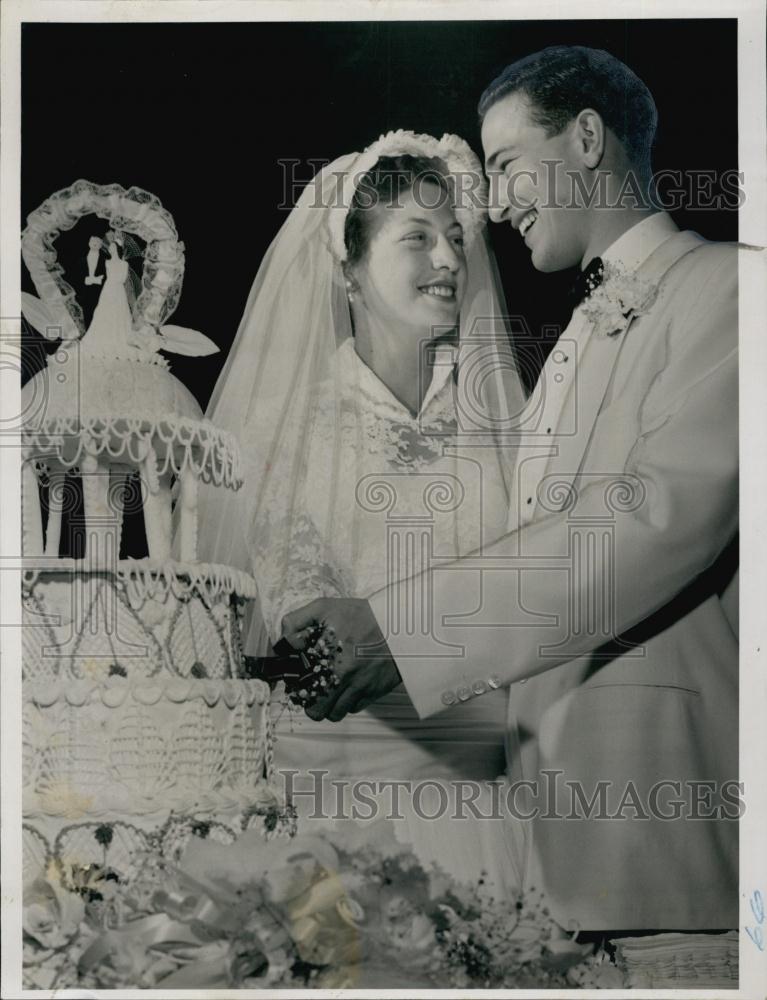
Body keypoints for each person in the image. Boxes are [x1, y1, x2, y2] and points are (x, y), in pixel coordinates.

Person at [283, 47, 740, 936]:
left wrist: (400, 630)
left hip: (662, 814)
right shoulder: (567, 341)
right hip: (545, 838)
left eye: (502, 165)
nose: (490, 205)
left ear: (585, 138)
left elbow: (649, 522)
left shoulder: (731, 289)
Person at [196, 131, 528, 893]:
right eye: (416, 238)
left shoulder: (511, 427)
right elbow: (295, 632)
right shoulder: (281, 429)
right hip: (334, 809)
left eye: (454, 237)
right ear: (347, 269)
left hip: (487, 801)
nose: (448, 260)